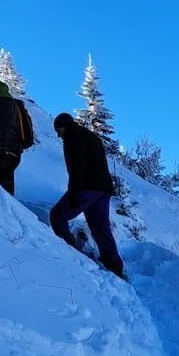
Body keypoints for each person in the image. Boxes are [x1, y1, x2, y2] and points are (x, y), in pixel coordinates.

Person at [49, 112, 126, 279]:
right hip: (103, 189)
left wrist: (74, 192)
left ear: (64, 127)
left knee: (57, 216)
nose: (58, 134)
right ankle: (114, 266)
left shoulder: (72, 138)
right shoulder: (90, 136)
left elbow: (77, 167)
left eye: (58, 130)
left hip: (87, 188)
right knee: (100, 227)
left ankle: (70, 251)